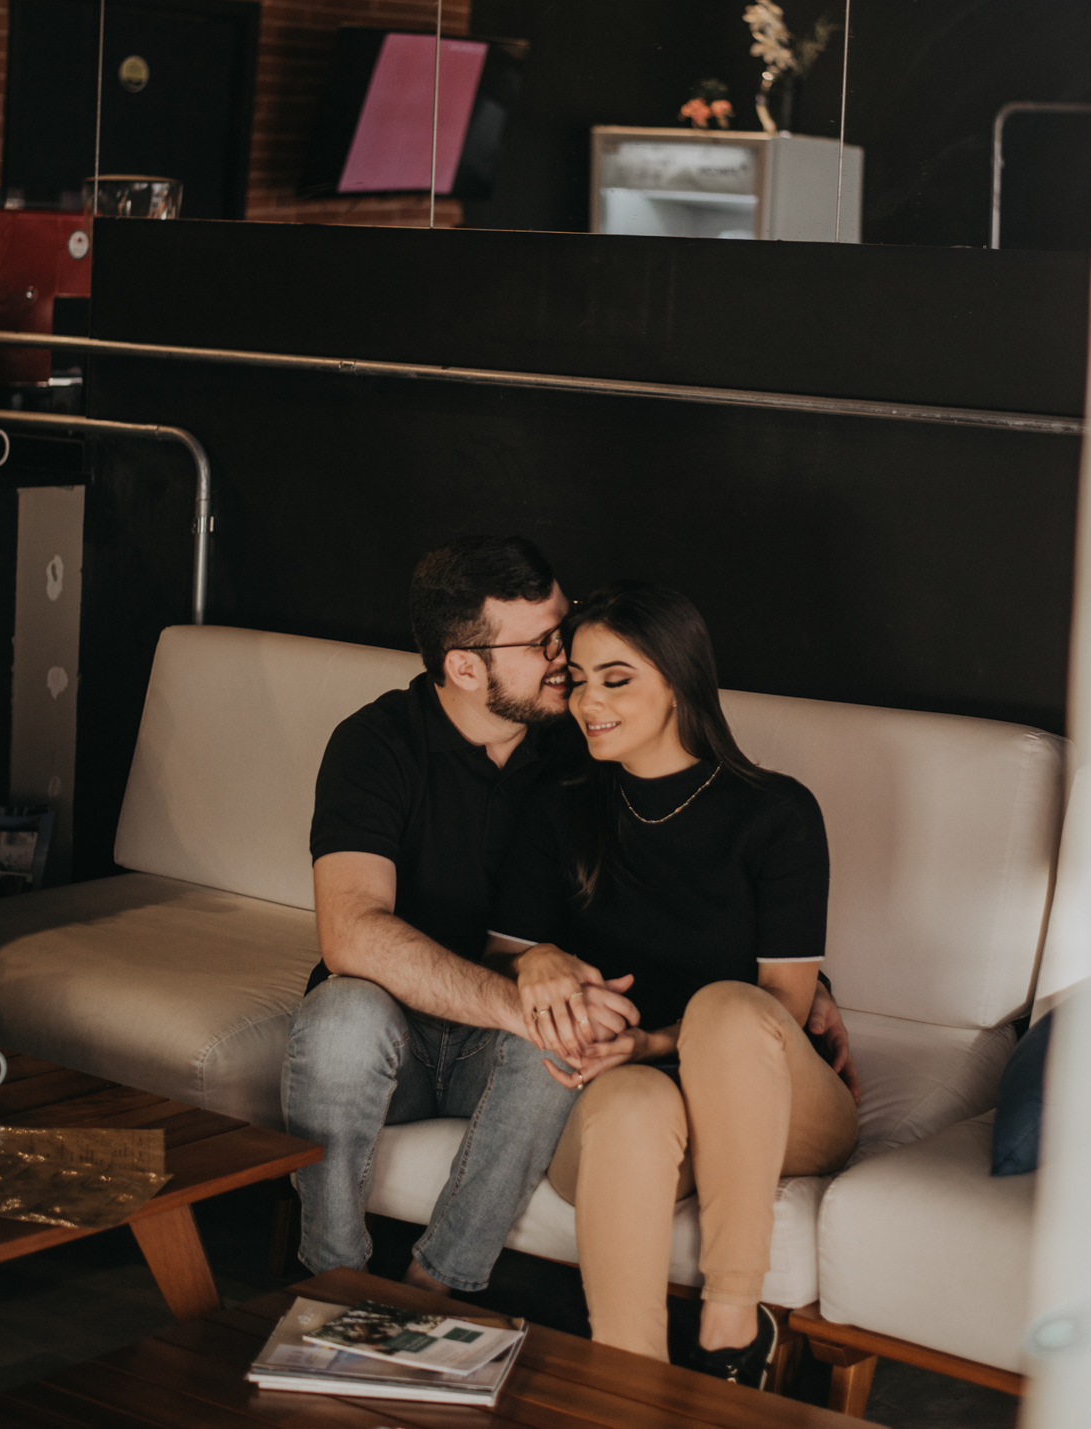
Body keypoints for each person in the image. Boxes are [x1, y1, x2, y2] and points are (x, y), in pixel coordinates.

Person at [487, 581, 861, 1386]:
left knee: (724, 1008)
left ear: (680, 681)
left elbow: (781, 1009)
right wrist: (535, 955)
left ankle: (730, 1320)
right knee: (631, 1100)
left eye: (616, 678)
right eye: (577, 680)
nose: (588, 701)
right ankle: (629, 1388)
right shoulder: (560, 806)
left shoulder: (777, 812)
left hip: (776, 1096)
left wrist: (651, 1040)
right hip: (623, 1098)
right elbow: (499, 955)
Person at [281, 535, 640, 1294]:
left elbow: (686, 867)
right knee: (341, 1015)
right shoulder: (376, 743)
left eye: (565, 627)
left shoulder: (587, 743)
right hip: (397, 1040)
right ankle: (332, 1281)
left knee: (558, 1036)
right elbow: (350, 932)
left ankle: (432, 1289)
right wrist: (515, 1003)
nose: (566, 656)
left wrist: (797, 985)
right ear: (465, 667)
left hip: (504, 1054)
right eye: (541, 643)